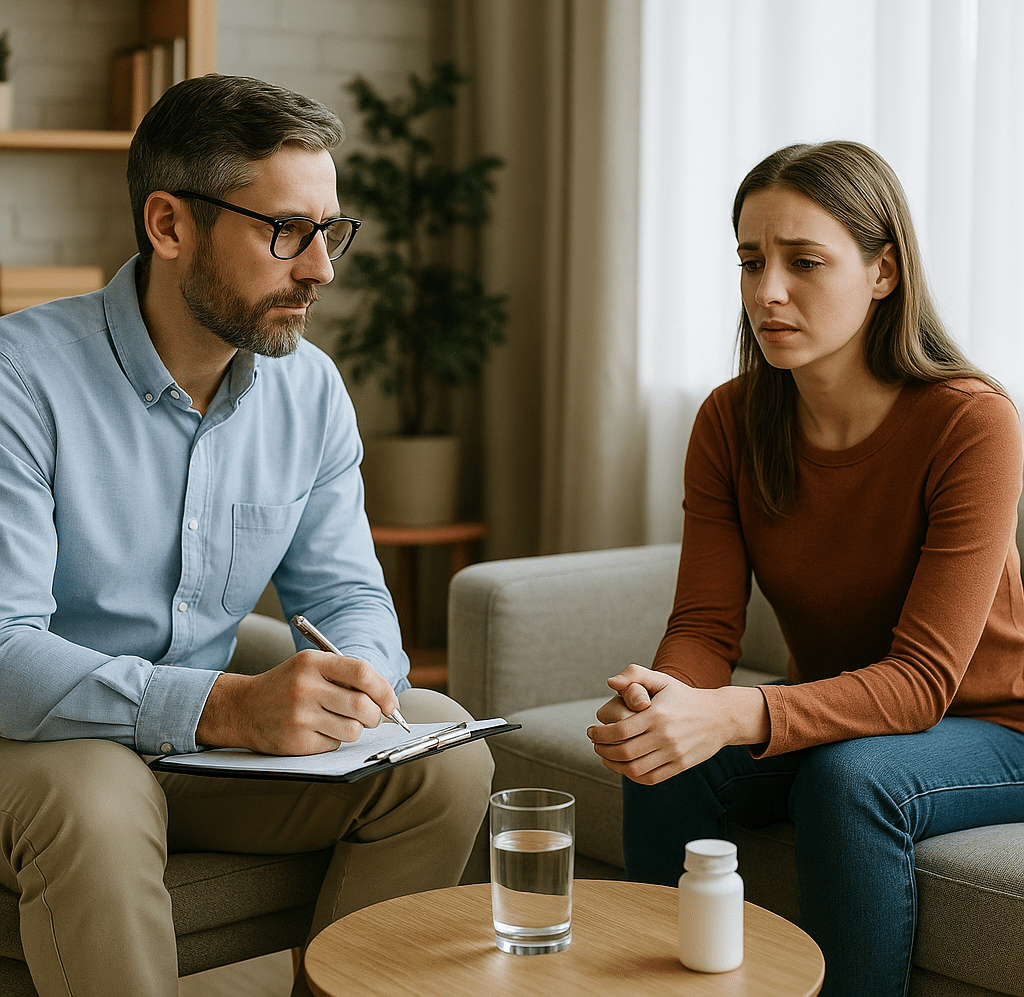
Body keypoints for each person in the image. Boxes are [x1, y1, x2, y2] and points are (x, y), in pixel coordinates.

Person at [0, 74, 493, 997]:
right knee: (98, 804)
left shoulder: (308, 391)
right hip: (34, 743)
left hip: (197, 750)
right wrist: (226, 708)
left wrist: (365, 686)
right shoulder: (19, 380)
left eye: (330, 230)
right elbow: (2, 652)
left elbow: (345, 594)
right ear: (170, 226)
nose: (322, 269)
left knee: (446, 756)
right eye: (286, 232)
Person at [587, 140, 1024, 997]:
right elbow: (706, 626)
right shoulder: (730, 420)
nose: (766, 292)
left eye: (804, 262)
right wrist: (664, 703)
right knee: (668, 756)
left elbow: (922, 681)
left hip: (998, 727)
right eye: (751, 261)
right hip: (850, 711)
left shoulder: (972, 422)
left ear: (883, 272)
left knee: (849, 780)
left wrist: (730, 712)